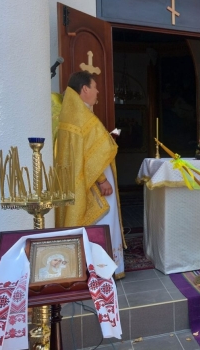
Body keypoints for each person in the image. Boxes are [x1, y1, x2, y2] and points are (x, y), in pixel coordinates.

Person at [55, 71, 126, 279]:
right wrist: (102, 180)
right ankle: (104, 268)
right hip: (96, 184)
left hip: (80, 182)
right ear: (84, 89)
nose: (97, 92)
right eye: (94, 87)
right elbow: (93, 155)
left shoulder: (69, 115)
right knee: (103, 222)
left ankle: (86, 265)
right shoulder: (84, 117)